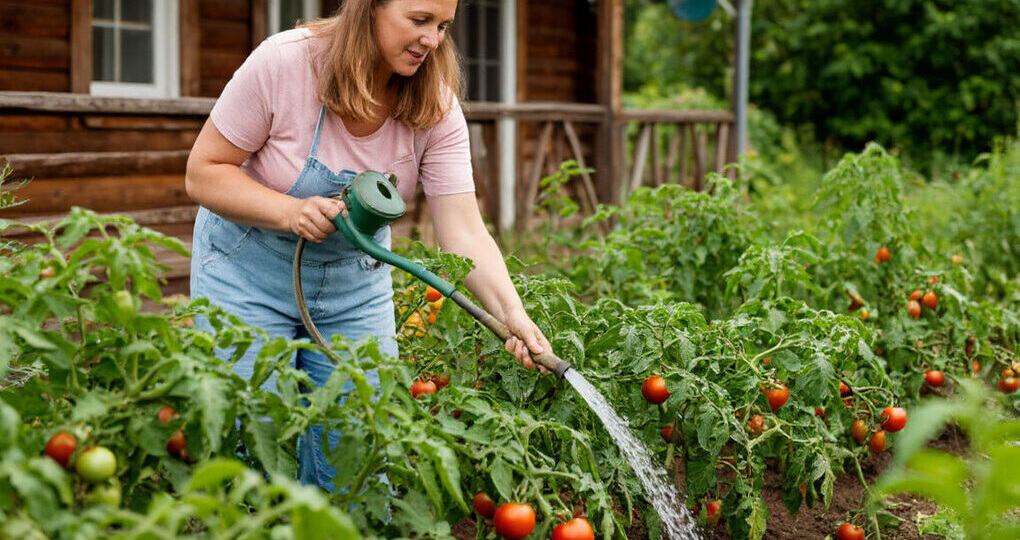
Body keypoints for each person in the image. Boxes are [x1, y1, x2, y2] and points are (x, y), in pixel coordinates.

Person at [184, 0, 552, 491]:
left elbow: (463, 231)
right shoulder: (285, 63)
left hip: (352, 287)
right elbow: (203, 172)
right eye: (419, 20)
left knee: (359, 453)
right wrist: (289, 211)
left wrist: (514, 314)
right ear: (368, 9)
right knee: (250, 442)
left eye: (443, 26)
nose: (432, 40)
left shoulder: (435, 104)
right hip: (246, 273)